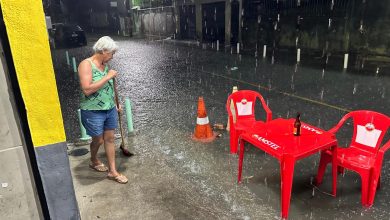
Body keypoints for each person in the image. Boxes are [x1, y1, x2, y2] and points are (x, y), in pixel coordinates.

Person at [78, 36, 128, 184]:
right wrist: (108, 77)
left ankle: (113, 171)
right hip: (92, 110)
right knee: (98, 140)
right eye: (111, 53)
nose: (112, 57)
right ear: (104, 50)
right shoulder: (86, 65)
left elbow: (108, 89)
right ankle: (93, 160)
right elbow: (87, 89)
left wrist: (115, 103)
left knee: (110, 139)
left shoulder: (104, 65)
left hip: (109, 109)